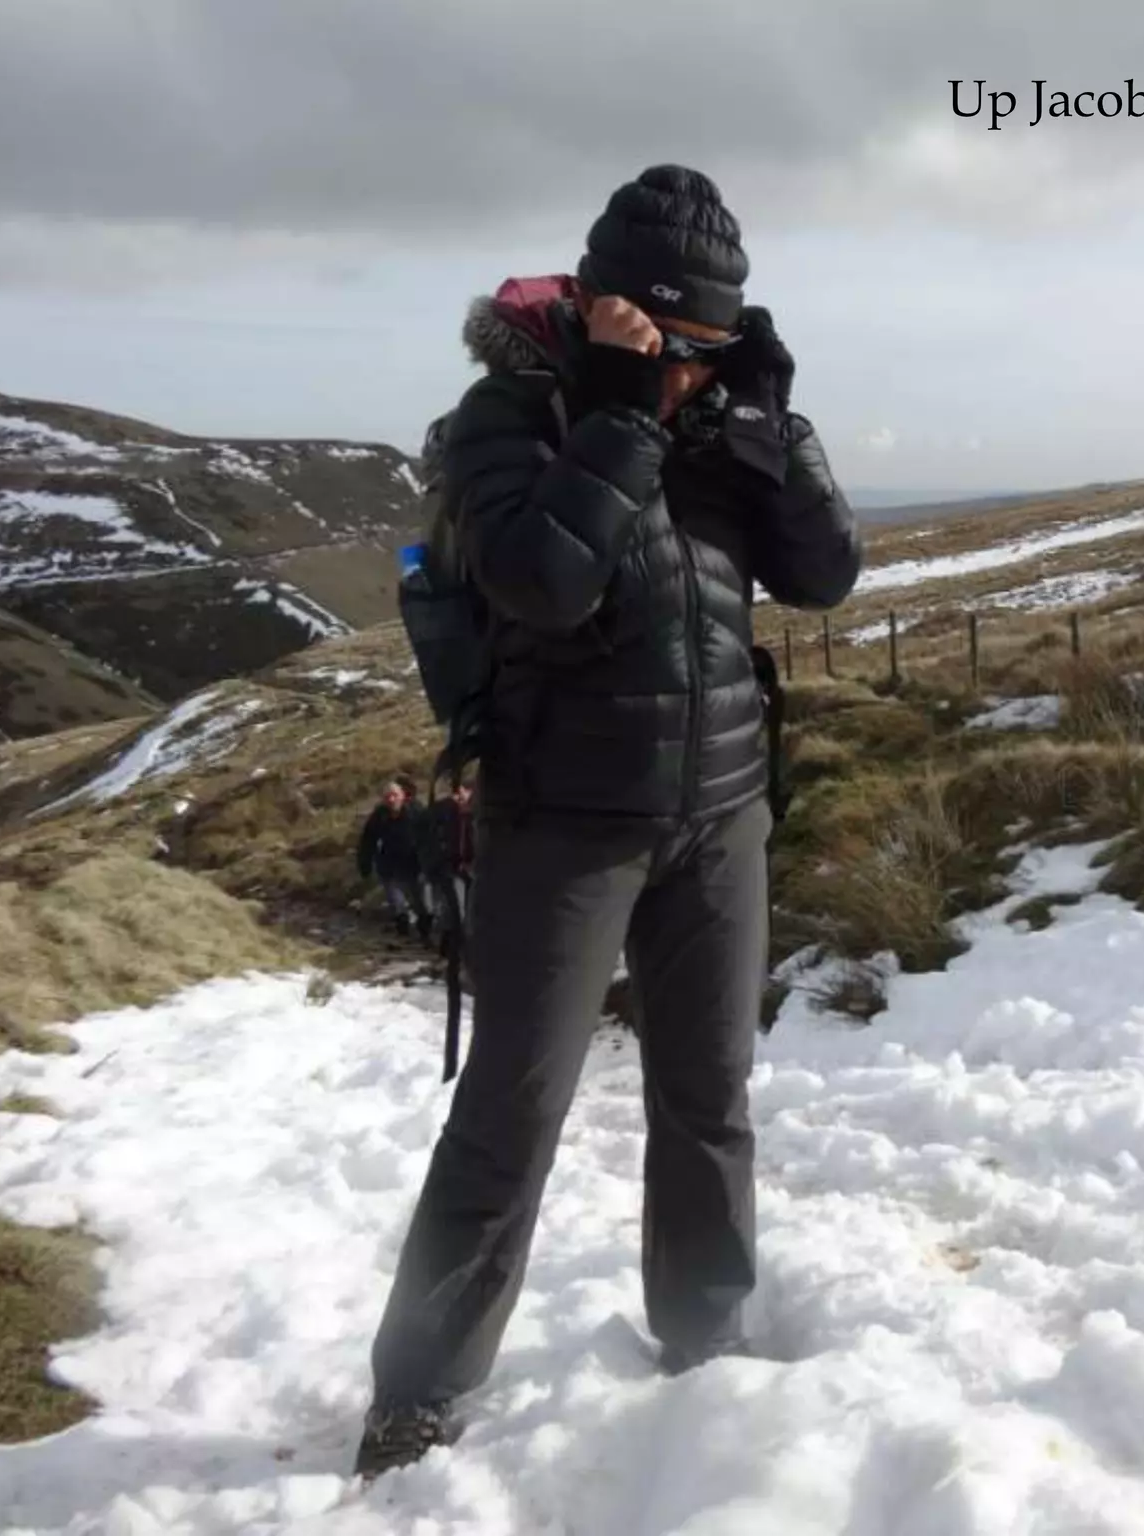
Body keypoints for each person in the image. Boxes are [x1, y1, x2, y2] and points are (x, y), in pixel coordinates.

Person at [354, 164, 861, 1479]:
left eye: (713, 345)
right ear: (600, 312)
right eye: (670, 344)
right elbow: (539, 583)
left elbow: (825, 573)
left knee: (711, 1101)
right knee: (513, 1111)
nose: (692, 369)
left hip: (723, 817)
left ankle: (705, 1339)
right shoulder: (502, 420)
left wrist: (774, 421)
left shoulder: (718, 414)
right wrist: (622, 422)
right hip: (563, 825)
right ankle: (418, 1393)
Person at [355, 777, 429, 942]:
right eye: (388, 796)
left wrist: (429, 863)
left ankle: (425, 935)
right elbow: (368, 841)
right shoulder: (379, 815)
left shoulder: (416, 812)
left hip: (414, 864)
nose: (391, 799)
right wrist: (364, 865)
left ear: (403, 795)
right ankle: (403, 934)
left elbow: (429, 838)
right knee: (397, 903)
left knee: (420, 902)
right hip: (389, 865)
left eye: (395, 795)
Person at [418, 781, 475, 950]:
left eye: (461, 794)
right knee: (456, 909)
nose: (458, 798)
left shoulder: (475, 815)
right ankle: (453, 946)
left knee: (464, 908)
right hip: (450, 868)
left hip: (472, 868)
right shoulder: (445, 813)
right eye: (455, 794)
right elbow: (431, 841)